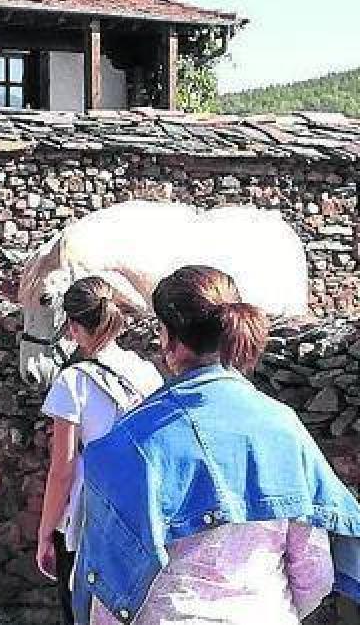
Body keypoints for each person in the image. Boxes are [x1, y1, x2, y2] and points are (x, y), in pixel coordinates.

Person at [73, 265, 360, 625]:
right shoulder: (283, 428)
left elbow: (110, 585)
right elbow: (314, 568)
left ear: (168, 339)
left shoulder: (132, 441)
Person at [34, 276, 163, 624]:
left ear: (73, 327)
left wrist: (46, 532)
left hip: (87, 518)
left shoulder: (72, 382)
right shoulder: (147, 373)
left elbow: (62, 470)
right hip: (140, 514)